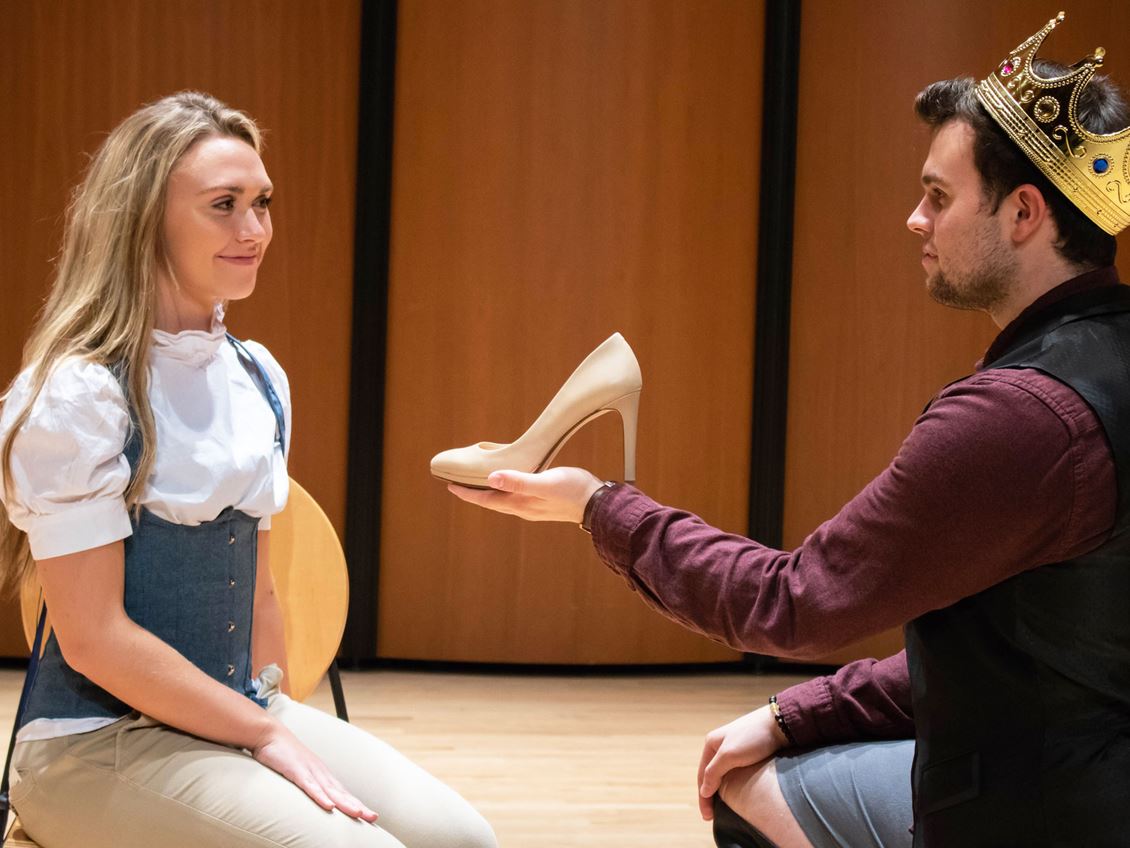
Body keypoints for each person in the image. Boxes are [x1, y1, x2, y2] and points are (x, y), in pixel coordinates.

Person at [450, 13, 1130, 847]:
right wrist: (793, 712)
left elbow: (794, 601)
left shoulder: (1017, 420)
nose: (915, 219)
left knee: (742, 792)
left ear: (1024, 213)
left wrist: (597, 507)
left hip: (1043, 818)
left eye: (939, 196)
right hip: (1092, 776)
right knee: (787, 747)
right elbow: (1023, 652)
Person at [0, 92, 497, 848]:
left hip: (238, 713)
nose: (255, 230)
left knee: (460, 840)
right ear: (143, 219)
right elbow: (95, 640)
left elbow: (261, 593)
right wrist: (263, 738)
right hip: (96, 744)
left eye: (262, 203)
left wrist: (279, 721)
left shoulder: (257, 376)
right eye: (224, 205)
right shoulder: (79, 395)